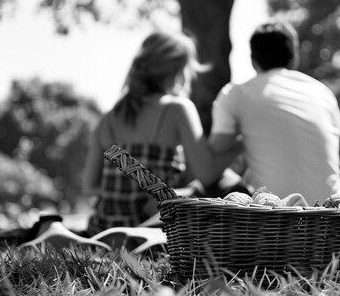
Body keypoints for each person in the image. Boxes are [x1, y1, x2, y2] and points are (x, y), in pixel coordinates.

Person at [82, 30, 237, 235]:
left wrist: (124, 194)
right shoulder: (177, 109)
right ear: (176, 71)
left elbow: (89, 186)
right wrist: (241, 142)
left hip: (104, 229)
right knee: (228, 181)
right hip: (153, 229)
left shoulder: (109, 118)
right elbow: (206, 174)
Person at [208, 20, 340, 205]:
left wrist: (242, 141)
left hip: (276, 219)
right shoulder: (323, 94)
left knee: (221, 181)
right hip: (329, 215)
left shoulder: (237, 93)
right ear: (295, 56)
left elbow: (210, 162)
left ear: (253, 61)